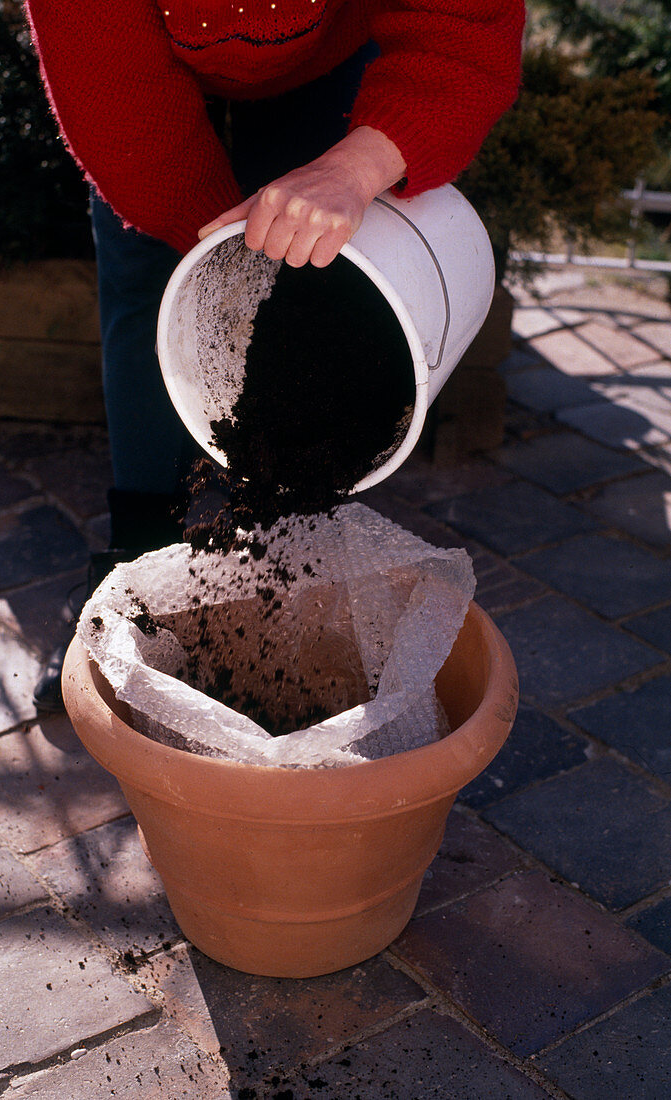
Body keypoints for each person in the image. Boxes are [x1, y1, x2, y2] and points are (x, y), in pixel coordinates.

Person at [26, 0, 526, 709]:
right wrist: (221, 263)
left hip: (326, 51)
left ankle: (275, 572)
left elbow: (460, 30)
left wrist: (356, 166)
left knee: (314, 267)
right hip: (141, 65)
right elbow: (118, 95)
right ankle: (129, 575)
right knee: (144, 285)